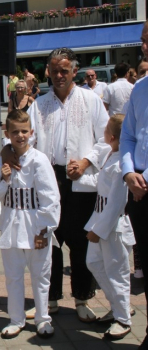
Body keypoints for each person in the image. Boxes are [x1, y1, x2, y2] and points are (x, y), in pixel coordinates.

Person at [5, 48, 109, 322]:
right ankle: (49, 300)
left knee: (81, 243)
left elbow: (107, 140)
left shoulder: (91, 100)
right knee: (49, 241)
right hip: (48, 181)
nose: (59, 75)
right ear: (47, 73)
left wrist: (86, 162)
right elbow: (28, 138)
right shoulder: (41, 104)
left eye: (64, 70)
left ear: (75, 71)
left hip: (82, 181)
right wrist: (8, 151)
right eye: (54, 70)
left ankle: (83, 299)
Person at [0, 110, 60, 339]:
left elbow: (51, 198)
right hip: (12, 225)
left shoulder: (39, 160)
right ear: (7, 134)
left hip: (35, 225)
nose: (20, 136)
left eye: (24, 131)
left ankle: (43, 318)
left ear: (31, 132)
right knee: (13, 275)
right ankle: (16, 319)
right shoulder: (3, 160)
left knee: (40, 275)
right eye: (15, 132)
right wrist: (5, 180)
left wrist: (44, 229)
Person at [85, 114, 135, 340]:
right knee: (94, 262)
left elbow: (116, 202)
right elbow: (100, 184)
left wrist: (99, 229)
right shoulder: (110, 154)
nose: (102, 131)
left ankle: (123, 318)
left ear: (112, 136)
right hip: (100, 216)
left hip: (113, 224)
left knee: (117, 272)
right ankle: (118, 306)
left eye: (105, 129)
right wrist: (77, 178)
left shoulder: (122, 163)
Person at [120, 20, 148, 349]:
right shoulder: (140, 89)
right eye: (142, 40)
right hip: (138, 189)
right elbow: (128, 136)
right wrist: (129, 172)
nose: (144, 46)